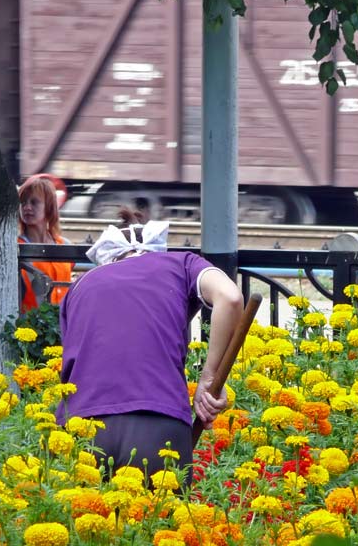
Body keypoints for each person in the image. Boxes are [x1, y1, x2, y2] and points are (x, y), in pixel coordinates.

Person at [56, 207, 243, 482]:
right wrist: (210, 377)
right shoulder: (181, 264)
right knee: (160, 523)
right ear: (157, 248)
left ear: (109, 255)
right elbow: (231, 297)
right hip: (158, 427)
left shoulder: (80, 286)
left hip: (80, 430)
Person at [18, 175, 73, 312]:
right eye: (23, 202)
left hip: (61, 324)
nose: (27, 207)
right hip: (29, 327)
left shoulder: (64, 245)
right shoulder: (17, 247)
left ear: (49, 207)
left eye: (34, 202)